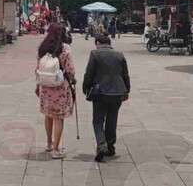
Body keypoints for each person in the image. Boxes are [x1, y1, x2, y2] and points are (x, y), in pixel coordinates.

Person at [83, 35, 130, 163]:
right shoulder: (119, 55)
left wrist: (85, 88)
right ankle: (110, 147)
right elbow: (125, 74)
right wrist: (127, 90)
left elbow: (89, 73)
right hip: (117, 93)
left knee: (98, 120)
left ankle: (101, 145)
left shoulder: (95, 54)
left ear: (97, 43)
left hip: (101, 93)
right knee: (112, 120)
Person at [35, 24, 76, 159]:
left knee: (48, 115)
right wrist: (73, 78)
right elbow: (69, 68)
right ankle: (56, 149)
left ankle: (48, 143)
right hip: (60, 86)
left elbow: (38, 68)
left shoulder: (42, 48)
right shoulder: (65, 48)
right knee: (59, 117)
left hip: (46, 86)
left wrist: (37, 85)